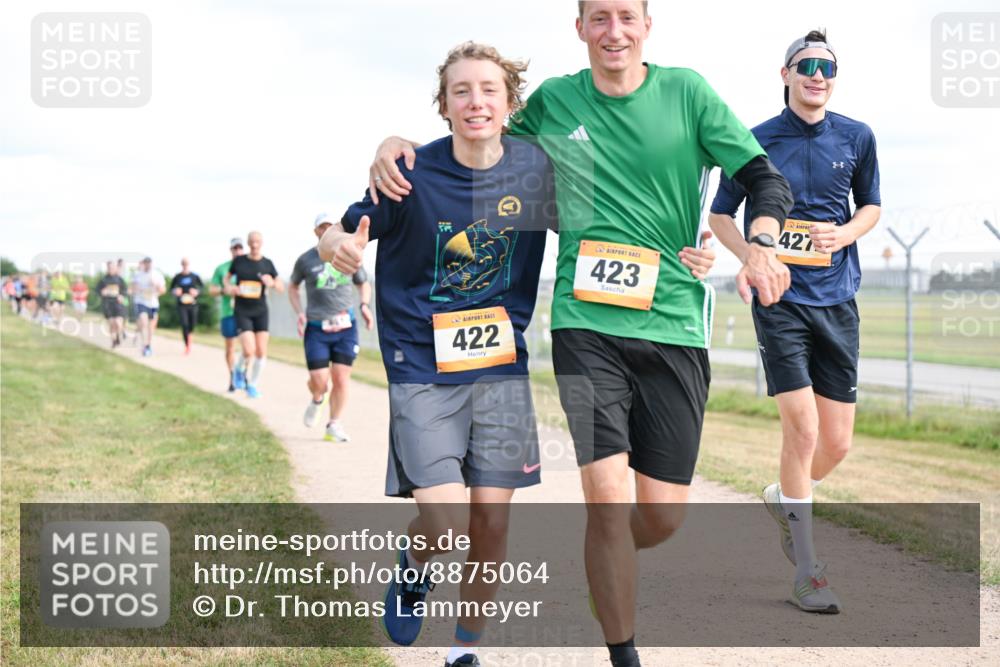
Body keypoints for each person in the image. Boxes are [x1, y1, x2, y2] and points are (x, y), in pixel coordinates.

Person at [367, 3, 793, 664]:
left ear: (648, 25)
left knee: (660, 517)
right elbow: (480, 134)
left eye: (627, 15)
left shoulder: (688, 92)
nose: (613, 30)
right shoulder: (556, 102)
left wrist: (761, 244)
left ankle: (607, 555)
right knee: (606, 498)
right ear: (581, 29)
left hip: (674, 320)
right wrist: (392, 143)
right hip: (584, 323)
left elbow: (762, 176)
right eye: (599, 17)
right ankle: (622, 646)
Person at [320, 42, 561, 667]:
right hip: (421, 369)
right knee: (449, 520)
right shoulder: (410, 173)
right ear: (444, 104)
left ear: (510, 102)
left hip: (502, 368)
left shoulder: (536, 171)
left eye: (488, 89)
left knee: (491, 526)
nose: (475, 100)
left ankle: (464, 651)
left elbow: (607, 222)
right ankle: (413, 570)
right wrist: (337, 245)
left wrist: (691, 241)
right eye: (461, 90)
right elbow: (336, 229)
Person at [708, 29, 881, 614]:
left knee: (836, 443)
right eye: (805, 65)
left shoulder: (857, 137)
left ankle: (785, 497)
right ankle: (809, 569)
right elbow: (721, 214)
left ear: (835, 77)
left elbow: (872, 206)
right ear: (784, 74)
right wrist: (756, 258)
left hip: (839, 300)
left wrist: (848, 233)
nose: (816, 74)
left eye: (826, 67)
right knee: (802, 431)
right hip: (779, 302)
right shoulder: (754, 142)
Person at [290, 213, 374, 442]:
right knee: (319, 380)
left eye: (330, 226)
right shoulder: (305, 260)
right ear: (316, 231)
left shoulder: (348, 253)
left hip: (346, 326)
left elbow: (363, 283)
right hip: (317, 327)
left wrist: (364, 305)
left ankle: (333, 424)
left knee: (341, 378)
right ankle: (318, 398)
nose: (326, 230)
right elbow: (293, 287)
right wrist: (299, 312)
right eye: (322, 227)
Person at [223, 231, 283, 398]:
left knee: (261, 352)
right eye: (252, 242)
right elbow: (227, 280)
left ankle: (253, 385)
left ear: (261, 243)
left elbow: (280, 286)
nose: (255, 245)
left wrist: (271, 283)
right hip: (242, 310)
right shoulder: (239, 262)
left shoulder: (267, 264)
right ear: (248, 243)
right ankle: (238, 370)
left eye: (257, 241)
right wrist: (230, 288)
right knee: (249, 350)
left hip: (261, 311)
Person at [210, 238, 246, 391]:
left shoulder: (249, 266)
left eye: (240, 248)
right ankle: (232, 377)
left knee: (247, 346)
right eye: (234, 248)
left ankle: (242, 373)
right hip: (228, 312)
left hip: (246, 312)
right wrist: (225, 290)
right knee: (230, 347)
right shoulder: (222, 268)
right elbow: (212, 290)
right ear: (231, 250)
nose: (237, 251)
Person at [131, 257, 166, 356]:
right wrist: (137, 288)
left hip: (153, 303)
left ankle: (148, 345)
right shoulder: (138, 274)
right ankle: (144, 344)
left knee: (151, 327)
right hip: (141, 301)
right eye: (146, 263)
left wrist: (156, 285)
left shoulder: (157, 274)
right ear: (143, 264)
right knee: (143, 321)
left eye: (149, 263)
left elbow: (163, 290)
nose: (147, 265)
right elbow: (132, 288)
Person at [170, 258, 204, 354]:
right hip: (181, 305)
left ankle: (189, 337)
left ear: (189, 265)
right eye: (183, 264)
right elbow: (171, 289)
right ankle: (187, 345)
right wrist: (175, 291)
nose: (185, 266)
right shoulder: (177, 276)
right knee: (184, 324)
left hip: (192, 304)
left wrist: (197, 292)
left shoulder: (194, 276)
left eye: (186, 264)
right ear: (181, 265)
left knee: (192, 324)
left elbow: (202, 287)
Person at [95, 261, 128, 347]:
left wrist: (122, 296)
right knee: (111, 323)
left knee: (118, 322)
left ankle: (119, 334)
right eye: (109, 268)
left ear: (115, 268)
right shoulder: (103, 280)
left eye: (112, 268)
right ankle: (114, 340)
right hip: (107, 304)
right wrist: (102, 292)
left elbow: (124, 290)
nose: (111, 269)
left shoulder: (119, 279)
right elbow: (97, 290)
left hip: (117, 304)